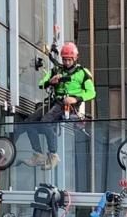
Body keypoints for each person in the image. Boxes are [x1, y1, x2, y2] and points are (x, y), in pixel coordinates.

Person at [19, 42, 96, 170]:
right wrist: (51, 81)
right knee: (29, 121)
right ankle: (38, 154)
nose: (66, 62)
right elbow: (41, 84)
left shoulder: (82, 73)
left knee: (45, 121)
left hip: (68, 105)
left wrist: (75, 99)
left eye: (69, 59)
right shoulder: (56, 70)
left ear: (75, 58)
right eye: (64, 59)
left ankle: (53, 155)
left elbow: (91, 93)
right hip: (55, 101)